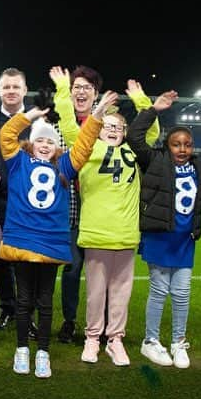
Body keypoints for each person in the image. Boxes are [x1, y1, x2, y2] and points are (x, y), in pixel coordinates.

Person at [0, 86, 116, 378]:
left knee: (45, 301)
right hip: (23, 239)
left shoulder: (65, 165)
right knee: (24, 300)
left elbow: (85, 144)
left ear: (56, 146)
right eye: (39, 140)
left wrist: (98, 116)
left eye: (49, 141)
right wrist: (30, 116)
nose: (44, 144)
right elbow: (6, 136)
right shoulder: (17, 162)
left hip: (50, 241)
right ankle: (22, 348)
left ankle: (43, 352)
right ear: (31, 143)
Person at [53, 69, 158, 366]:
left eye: (118, 127)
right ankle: (91, 338)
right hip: (96, 233)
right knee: (96, 292)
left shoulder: (133, 152)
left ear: (124, 132)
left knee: (122, 292)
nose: (112, 130)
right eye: (107, 126)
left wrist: (139, 98)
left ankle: (115, 340)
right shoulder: (87, 149)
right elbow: (70, 124)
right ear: (98, 129)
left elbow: (150, 131)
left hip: (125, 235)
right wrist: (64, 89)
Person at [129, 91, 201, 369]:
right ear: (167, 146)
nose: (182, 149)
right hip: (159, 238)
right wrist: (154, 109)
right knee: (158, 291)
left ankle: (178, 341)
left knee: (182, 292)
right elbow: (134, 138)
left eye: (187, 144)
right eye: (176, 144)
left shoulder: (199, 166)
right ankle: (150, 341)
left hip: (184, 241)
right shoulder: (155, 160)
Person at [58, 65, 105, 343]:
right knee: (73, 268)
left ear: (96, 94)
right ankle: (69, 320)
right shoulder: (58, 124)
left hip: (99, 210)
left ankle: (99, 324)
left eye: (87, 87)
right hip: (70, 209)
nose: (82, 91)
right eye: (77, 86)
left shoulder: (106, 125)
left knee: (101, 271)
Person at [0, 68, 28, 330]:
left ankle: (27, 313)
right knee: (0, 259)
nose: (10, 91)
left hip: (27, 201)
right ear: (0, 90)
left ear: (24, 90)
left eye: (15, 87)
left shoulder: (36, 118)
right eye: (6, 87)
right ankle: (7, 309)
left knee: (26, 259)